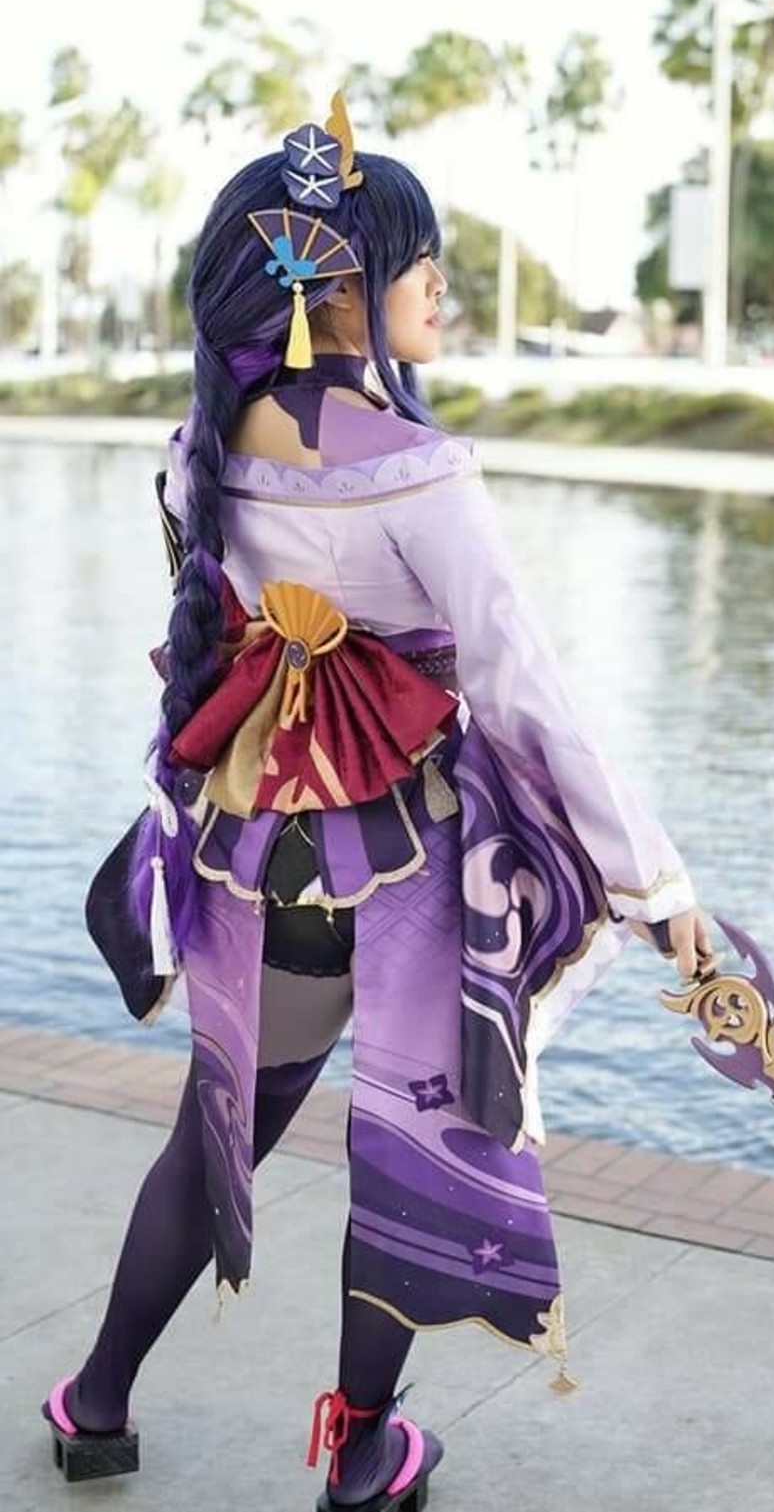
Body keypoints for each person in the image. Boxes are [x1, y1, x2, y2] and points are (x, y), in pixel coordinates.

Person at [40, 91, 715, 1511]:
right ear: (338, 291)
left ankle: (94, 1403)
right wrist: (654, 884)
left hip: (260, 857)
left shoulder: (205, 443)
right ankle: (359, 1459)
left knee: (217, 1128)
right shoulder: (423, 474)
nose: (441, 287)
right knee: (409, 1145)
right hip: (408, 866)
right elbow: (528, 693)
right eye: (422, 261)